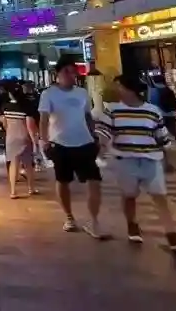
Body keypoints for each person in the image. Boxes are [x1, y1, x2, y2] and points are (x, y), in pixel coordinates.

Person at [96, 75, 176, 251]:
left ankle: (173, 237)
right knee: (129, 196)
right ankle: (132, 225)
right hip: (125, 161)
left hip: (151, 160)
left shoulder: (152, 111)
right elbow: (104, 132)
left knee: (160, 198)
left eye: (119, 86)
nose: (116, 90)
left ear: (130, 89)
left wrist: (167, 160)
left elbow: (161, 138)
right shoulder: (113, 110)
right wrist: (100, 148)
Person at [38, 58, 103, 238]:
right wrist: (44, 141)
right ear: (57, 74)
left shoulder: (82, 93)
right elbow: (43, 120)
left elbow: (88, 116)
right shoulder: (49, 94)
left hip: (84, 142)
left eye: (73, 72)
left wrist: (94, 135)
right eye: (66, 71)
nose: (70, 75)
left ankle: (94, 221)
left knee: (94, 181)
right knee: (63, 181)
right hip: (60, 143)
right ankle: (69, 217)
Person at [0, 81, 39, 199]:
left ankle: (13, 191)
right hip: (25, 138)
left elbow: (5, 124)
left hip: (11, 138)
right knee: (28, 164)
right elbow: (30, 126)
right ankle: (31, 188)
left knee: (13, 164)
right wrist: (35, 140)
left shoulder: (5, 106)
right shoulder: (27, 106)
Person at [148, 75, 176, 149]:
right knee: (173, 131)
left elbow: (152, 103)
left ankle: (160, 146)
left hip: (160, 114)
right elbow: (174, 102)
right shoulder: (169, 90)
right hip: (171, 114)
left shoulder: (154, 90)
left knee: (158, 131)